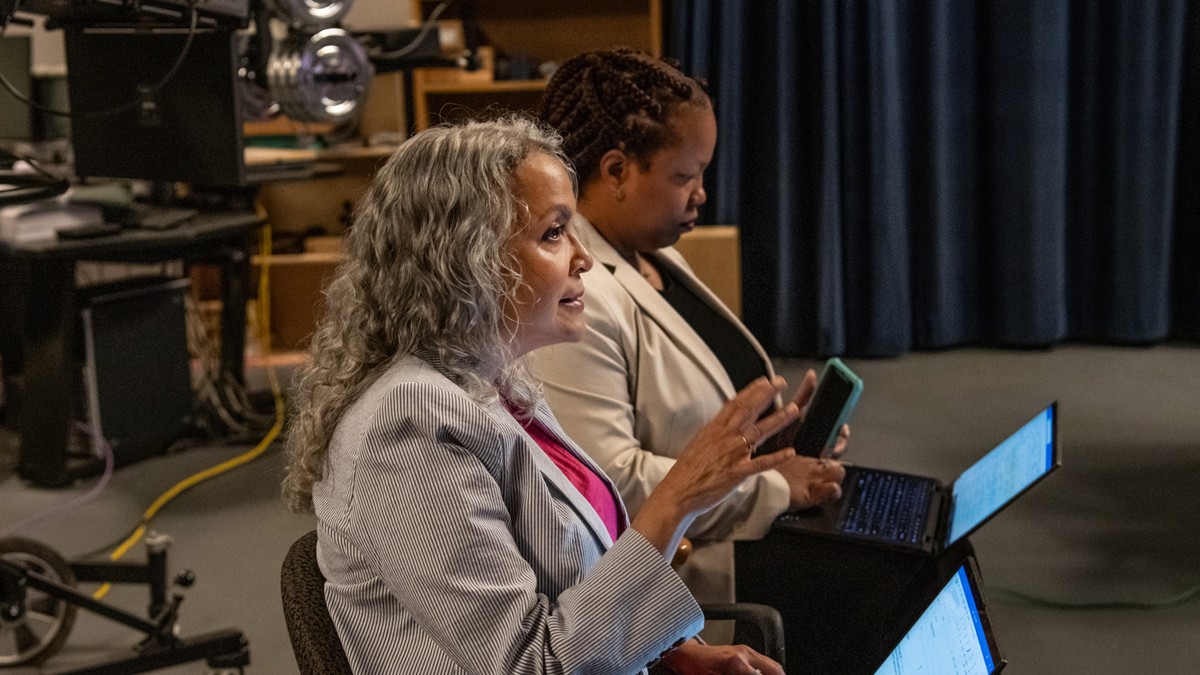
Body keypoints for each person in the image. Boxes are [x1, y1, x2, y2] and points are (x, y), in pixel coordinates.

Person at [282, 116, 804, 674]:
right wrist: (675, 502)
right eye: (555, 233)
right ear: (467, 257)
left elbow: (568, 585)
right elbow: (532, 666)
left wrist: (671, 657)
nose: (583, 257)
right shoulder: (406, 426)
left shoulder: (494, 383)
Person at [535, 47, 848, 607]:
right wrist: (771, 486)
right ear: (616, 171)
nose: (701, 193)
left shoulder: (656, 256)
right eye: (686, 175)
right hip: (680, 582)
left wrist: (770, 440)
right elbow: (609, 485)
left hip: (738, 528)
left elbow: (692, 417)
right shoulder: (573, 295)